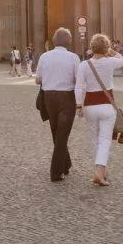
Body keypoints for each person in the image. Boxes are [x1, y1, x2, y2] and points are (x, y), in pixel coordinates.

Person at [74, 33, 123, 186]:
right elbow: (122, 60)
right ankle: (100, 174)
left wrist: (78, 105)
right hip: (107, 105)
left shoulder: (84, 65)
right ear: (106, 48)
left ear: (91, 47)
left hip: (90, 106)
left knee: (95, 140)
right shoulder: (110, 62)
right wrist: (111, 51)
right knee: (105, 140)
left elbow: (78, 86)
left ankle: (100, 173)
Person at [35, 27, 80, 182]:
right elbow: (78, 80)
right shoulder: (73, 58)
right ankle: (56, 172)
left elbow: (37, 80)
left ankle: (66, 164)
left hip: (49, 97)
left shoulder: (44, 57)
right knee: (62, 134)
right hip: (66, 97)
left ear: (54, 41)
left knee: (56, 132)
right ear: (69, 41)